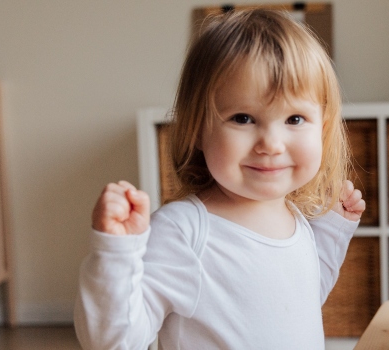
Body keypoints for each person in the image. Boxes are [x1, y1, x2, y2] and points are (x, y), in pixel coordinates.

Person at [74, 8, 365, 349]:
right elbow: (114, 340)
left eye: (295, 119)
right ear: (197, 128)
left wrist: (331, 230)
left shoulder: (294, 219)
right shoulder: (185, 232)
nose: (271, 144)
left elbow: (303, 300)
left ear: (323, 129)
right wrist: (116, 252)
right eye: (243, 118)